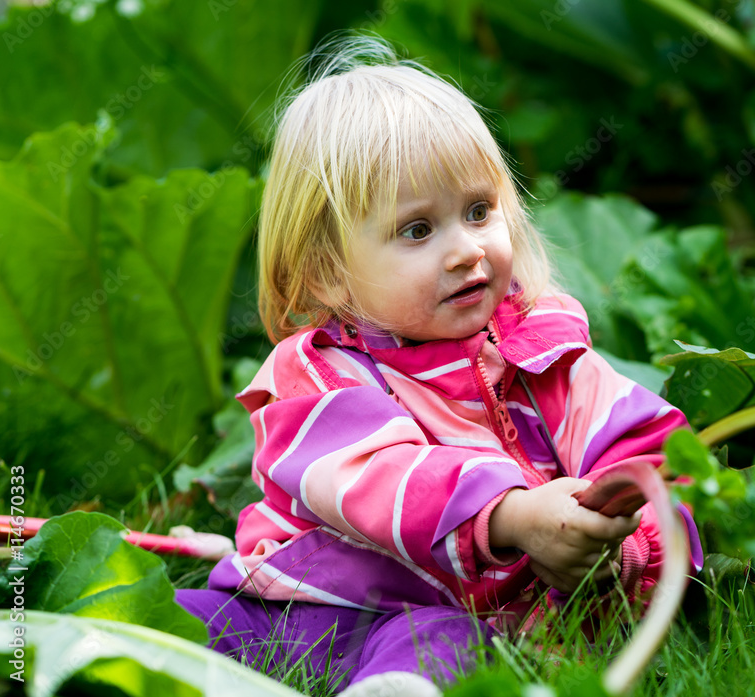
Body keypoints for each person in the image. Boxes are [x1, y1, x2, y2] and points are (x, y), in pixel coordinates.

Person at [175, 35, 702, 697]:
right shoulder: (311, 379)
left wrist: (621, 546)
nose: (465, 250)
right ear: (328, 272)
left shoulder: (546, 357)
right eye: (418, 230)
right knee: (181, 621)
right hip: (300, 608)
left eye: (479, 211)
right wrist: (511, 515)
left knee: (444, 643)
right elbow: (381, 479)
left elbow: (651, 459)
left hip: (450, 622)